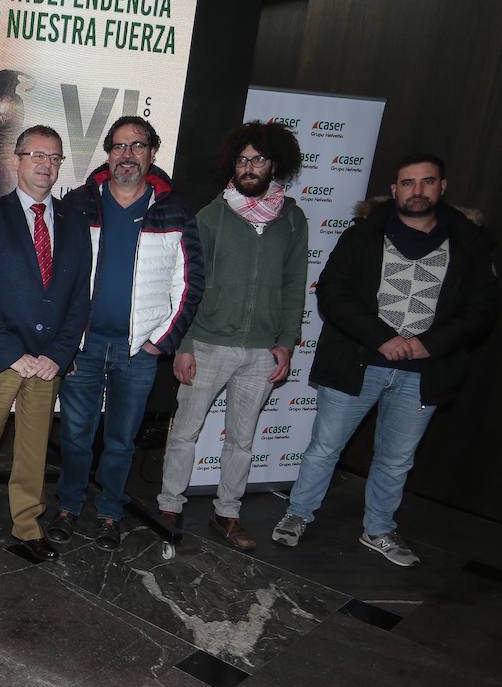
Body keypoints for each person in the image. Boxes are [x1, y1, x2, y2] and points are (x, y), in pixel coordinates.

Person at [272, 154, 495, 566]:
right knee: (324, 447)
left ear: (442, 187)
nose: (417, 191)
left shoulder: (470, 243)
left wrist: (433, 344)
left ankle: (378, 528)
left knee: (396, 460)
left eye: (427, 182)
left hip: (424, 371)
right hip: (358, 361)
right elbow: (333, 293)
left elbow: (482, 308)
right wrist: (382, 339)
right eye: (408, 183)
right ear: (394, 190)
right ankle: (298, 514)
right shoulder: (363, 234)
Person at [156, 122, 309, 550]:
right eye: (242, 159)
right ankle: (169, 506)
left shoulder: (292, 219)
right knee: (185, 432)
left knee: (242, 441)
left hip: (263, 351)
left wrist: (286, 342)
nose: (249, 167)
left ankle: (227, 513)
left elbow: (295, 285)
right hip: (207, 344)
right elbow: (187, 285)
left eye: (258, 159)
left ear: (274, 165)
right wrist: (185, 344)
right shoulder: (212, 215)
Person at [53, 116, 203, 550]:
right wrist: (66, 339)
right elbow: (59, 275)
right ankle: (67, 507)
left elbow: (190, 283)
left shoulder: (175, 210)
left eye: (137, 146)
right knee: (76, 437)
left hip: (137, 352)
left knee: (120, 442)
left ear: (152, 153)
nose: (127, 154)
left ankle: (109, 513)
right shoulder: (79, 204)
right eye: (119, 146)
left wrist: (162, 342)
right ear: (108, 153)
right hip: (84, 347)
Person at [0, 125, 91, 562]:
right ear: (17, 161)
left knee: (34, 449)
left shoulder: (74, 223)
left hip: (47, 363)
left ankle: (27, 524)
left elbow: (79, 298)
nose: (46, 164)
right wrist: (14, 354)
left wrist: (59, 355)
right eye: (37, 155)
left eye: (54, 157)